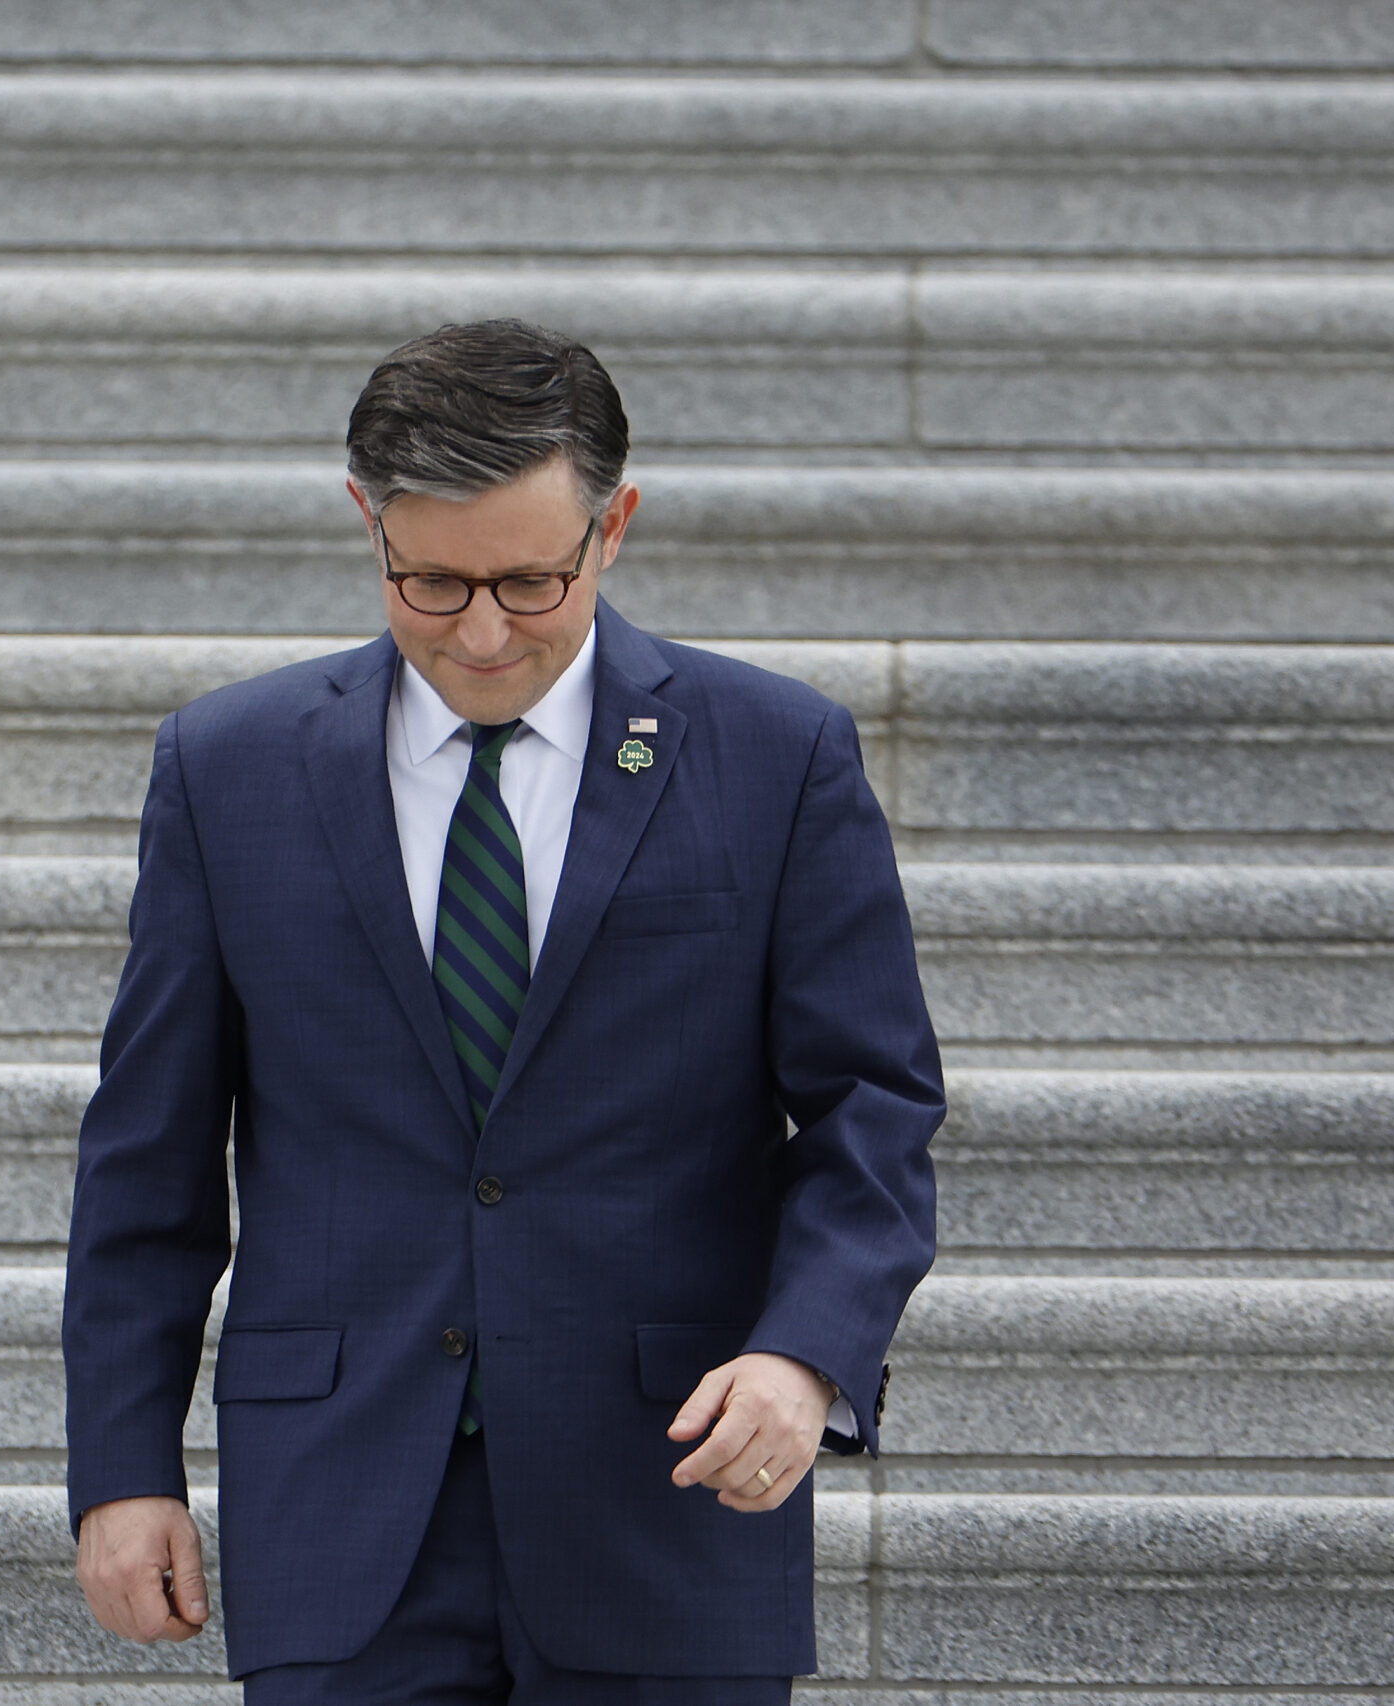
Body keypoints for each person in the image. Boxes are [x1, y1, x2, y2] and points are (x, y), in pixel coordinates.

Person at [62, 319, 942, 1702]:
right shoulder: (226, 768)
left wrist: (802, 1350)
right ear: (367, 522)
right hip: (339, 1512)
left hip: (664, 1499)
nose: (480, 633)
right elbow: (146, 1163)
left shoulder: (777, 758)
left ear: (616, 525)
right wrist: (122, 1468)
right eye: (432, 581)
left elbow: (871, 1110)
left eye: (531, 583)